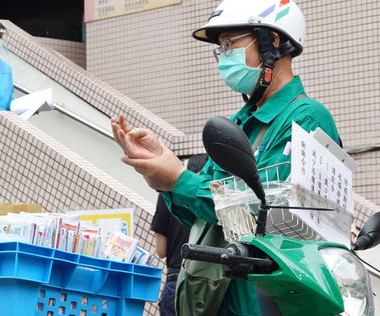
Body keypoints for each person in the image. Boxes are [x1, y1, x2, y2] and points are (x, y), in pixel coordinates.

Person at [111, 0, 340, 315]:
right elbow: (203, 216)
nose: (224, 57)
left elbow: (269, 214)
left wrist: (179, 178)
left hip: (268, 302)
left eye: (230, 44)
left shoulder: (306, 118)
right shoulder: (238, 123)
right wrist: (162, 174)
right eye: (220, 49)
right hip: (224, 299)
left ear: (272, 42)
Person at [151, 154, 208, 316]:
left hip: (177, 281)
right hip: (208, 284)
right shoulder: (213, 196)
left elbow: (161, 251)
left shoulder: (167, 194)